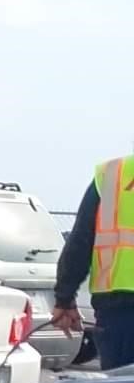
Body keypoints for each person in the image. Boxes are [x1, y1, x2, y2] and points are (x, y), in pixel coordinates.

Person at [51, 155, 134, 369]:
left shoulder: (113, 174)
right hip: (117, 307)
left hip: (118, 308)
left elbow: (80, 241)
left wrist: (64, 299)